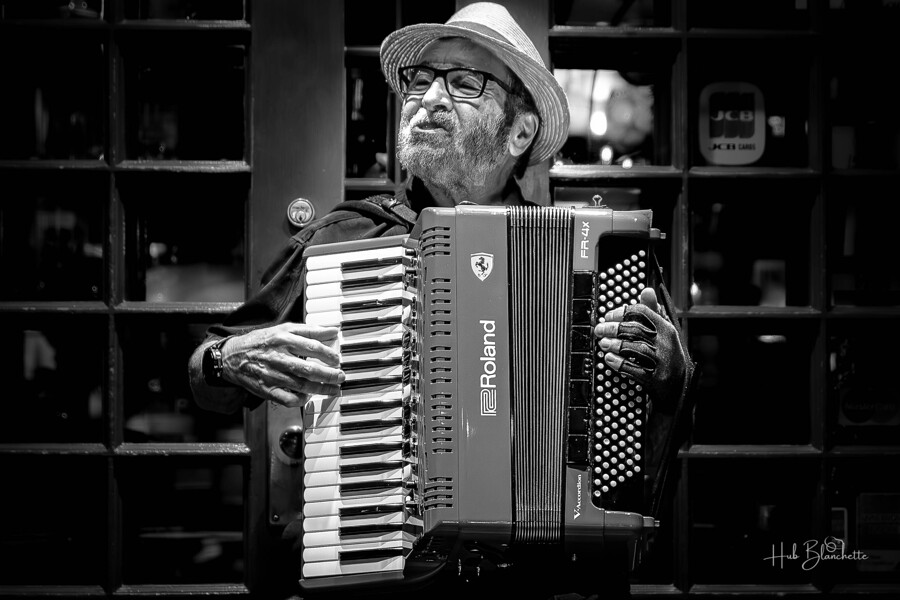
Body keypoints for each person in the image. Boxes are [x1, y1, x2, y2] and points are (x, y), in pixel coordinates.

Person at [188, 3, 694, 598]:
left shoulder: (593, 253)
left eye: (463, 84)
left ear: (520, 131)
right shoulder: (348, 240)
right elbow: (205, 374)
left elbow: (674, 407)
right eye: (420, 80)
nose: (428, 98)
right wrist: (227, 358)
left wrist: (669, 371)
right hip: (388, 575)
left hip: (543, 583)